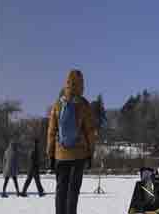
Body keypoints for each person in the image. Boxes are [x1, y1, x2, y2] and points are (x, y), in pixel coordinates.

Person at [46, 69, 97, 214]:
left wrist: (50, 154)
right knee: (73, 192)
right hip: (79, 155)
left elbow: (51, 132)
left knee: (61, 190)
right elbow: (90, 131)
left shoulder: (58, 104)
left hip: (60, 155)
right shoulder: (83, 105)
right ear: (81, 85)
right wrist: (90, 153)